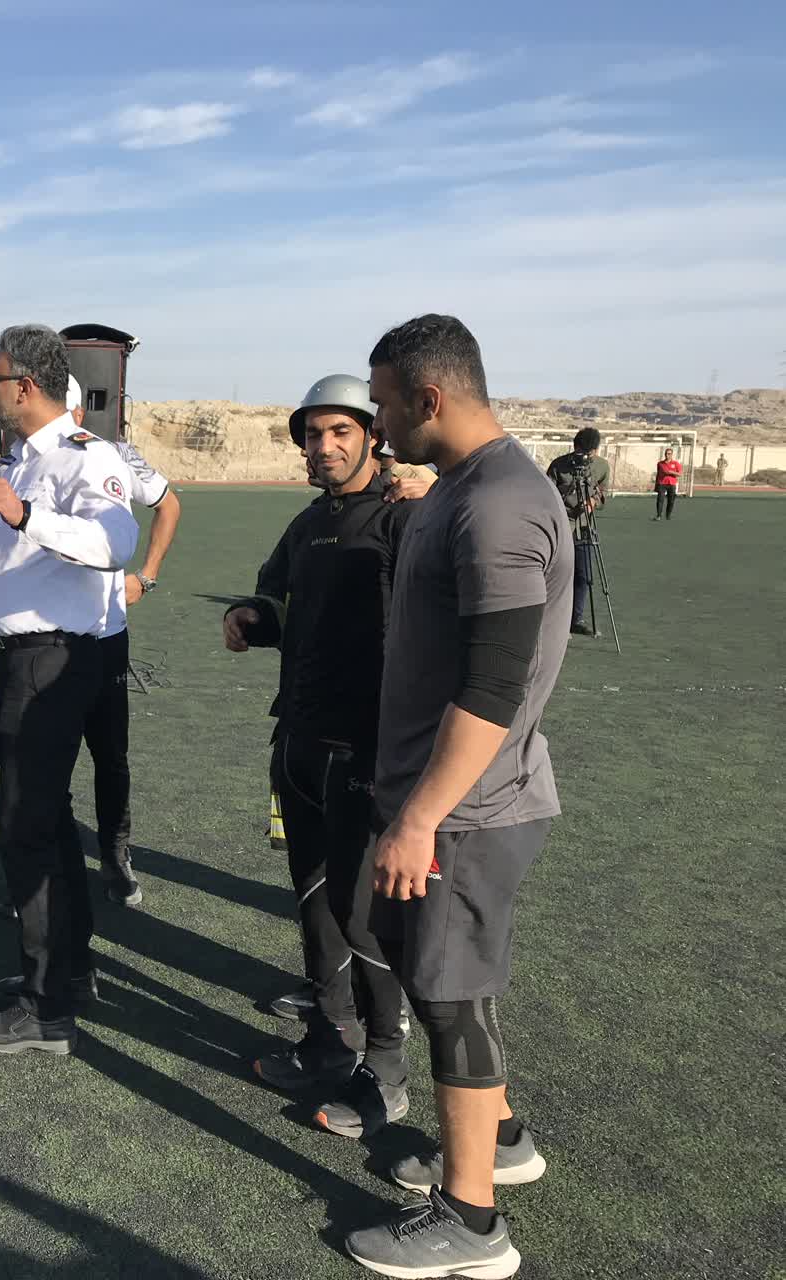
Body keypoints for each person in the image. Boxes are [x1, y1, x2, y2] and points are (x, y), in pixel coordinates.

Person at [343, 314, 567, 1280]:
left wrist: (420, 816)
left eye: (383, 405)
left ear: (428, 398)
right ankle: (499, 1140)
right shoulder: (462, 489)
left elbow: (494, 685)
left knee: (448, 997)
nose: (377, 424)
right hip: (443, 801)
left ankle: (471, 1224)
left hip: (466, 813)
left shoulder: (499, 506)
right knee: (444, 985)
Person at [224, 374, 416, 1137]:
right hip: (297, 741)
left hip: (365, 748)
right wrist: (250, 616)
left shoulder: (403, 516)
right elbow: (274, 600)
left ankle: (386, 1067)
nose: (323, 446)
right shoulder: (308, 524)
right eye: (312, 434)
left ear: (372, 437)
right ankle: (329, 1037)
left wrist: (436, 495)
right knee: (314, 901)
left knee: (361, 914)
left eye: (340, 432)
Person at [0, 324, 138, 1056]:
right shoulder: (18, 461)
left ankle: (44, 1008)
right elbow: (9, 578)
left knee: (26, 828)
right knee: (50, 826)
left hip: (55, 662)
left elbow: (116, 544)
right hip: (21, 656)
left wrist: (26, 514)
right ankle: (68, 972)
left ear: (25, 386)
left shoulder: (83, 457)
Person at [0, 374, 181, 911]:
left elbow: (166, 504)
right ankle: (48, 883)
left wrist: (147, 576)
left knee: (109, 754)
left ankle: (115, 855)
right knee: (49, 769)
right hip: (43, 640)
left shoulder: (108, 455)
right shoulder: (10, 464)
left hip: (103, 637)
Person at [546, 428, 609, 637]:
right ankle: (556, 621)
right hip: (561, 526)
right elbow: (546, 493)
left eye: (590, 453)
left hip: (584, 527)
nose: (586, 457)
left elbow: (603, 492)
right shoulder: (559, 465)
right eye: (582, 452)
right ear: (575, 447)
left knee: (584, 575)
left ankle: (577, 619)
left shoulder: (601, 466)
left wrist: (592, 502)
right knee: (559, 575)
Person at [654, 446, 683, 520]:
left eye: (669, 454)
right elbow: (658, 474)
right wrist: (656, 485)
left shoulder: (676, 463)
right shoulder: (660, 463)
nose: (667, 455)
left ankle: (668, 515)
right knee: (660, 500)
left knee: (671, 500)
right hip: (662, 484)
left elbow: (680, 474)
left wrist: (670, 472)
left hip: (672, 484)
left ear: (672, 455)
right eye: (666, 453)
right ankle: (658, 515)